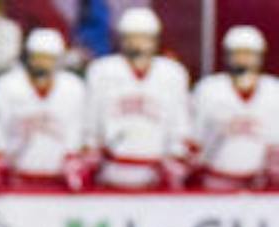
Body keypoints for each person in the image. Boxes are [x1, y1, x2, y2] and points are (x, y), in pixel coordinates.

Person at [82, 6, 188, 190]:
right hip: (111, 171)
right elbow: (90, 120)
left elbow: (180, 123)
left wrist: (176, 157)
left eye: (144, 38)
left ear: (155, 41)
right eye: (131, 38)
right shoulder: (102, 71)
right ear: (122, 40)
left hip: (156, 174)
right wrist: (91, 153)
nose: (138, 44)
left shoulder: (173, 74)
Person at [0, 26, 88, 190]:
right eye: (37, 57)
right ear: (28, 58)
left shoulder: (73, 88)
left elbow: (78, 129)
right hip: (16, 180)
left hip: (60, 183)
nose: (42, 64)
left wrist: (75, 160)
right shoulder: (6, 86)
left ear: (58, 60)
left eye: (48, 58)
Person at [186, 26, 279, 192]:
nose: (243, 61)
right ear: (227, 57)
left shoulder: (273, 91)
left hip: (259, 185)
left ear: (260, 57)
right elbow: (194, 140)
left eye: (249, 54)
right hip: (215, 180)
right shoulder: (209, 90)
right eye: (237, 54)